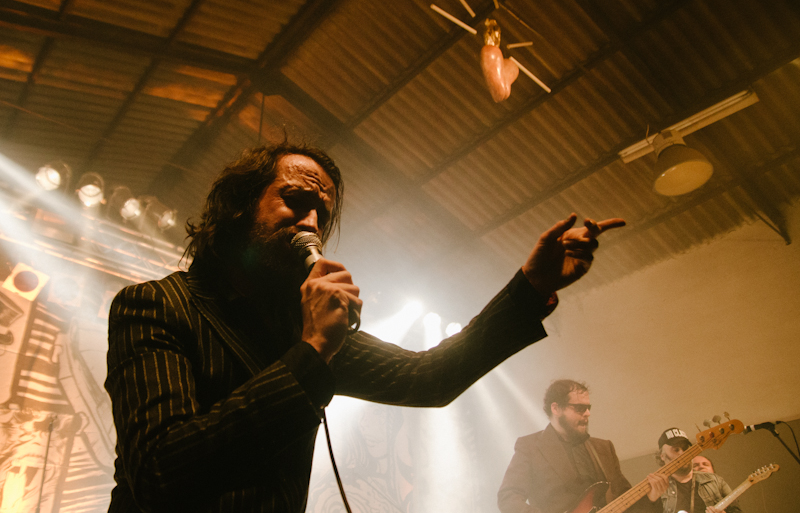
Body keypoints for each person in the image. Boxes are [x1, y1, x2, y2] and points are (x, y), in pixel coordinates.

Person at [104, 142, 625, 513]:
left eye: (321, 213)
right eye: (295, 201)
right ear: (240, 206)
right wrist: (311, 352)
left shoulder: (300, 328)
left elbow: (428, 378)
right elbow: (159, 473)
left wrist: (530, 289)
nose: (311, 224)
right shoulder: (155, 305)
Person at [497, 380, 658, 513]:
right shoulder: (530, 447)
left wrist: (650, 498)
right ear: (556, 408)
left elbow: (625, 500)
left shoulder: (604, 448)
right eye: (580, 408)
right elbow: (508, 498)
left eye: (588, 408)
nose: (588, 413)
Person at [646, 428, 742, 513]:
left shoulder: (715, 480)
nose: (682, 453)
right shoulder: (653, 488)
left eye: (685, 448)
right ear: (662, 456)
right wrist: (651, 500)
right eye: (676, 450)